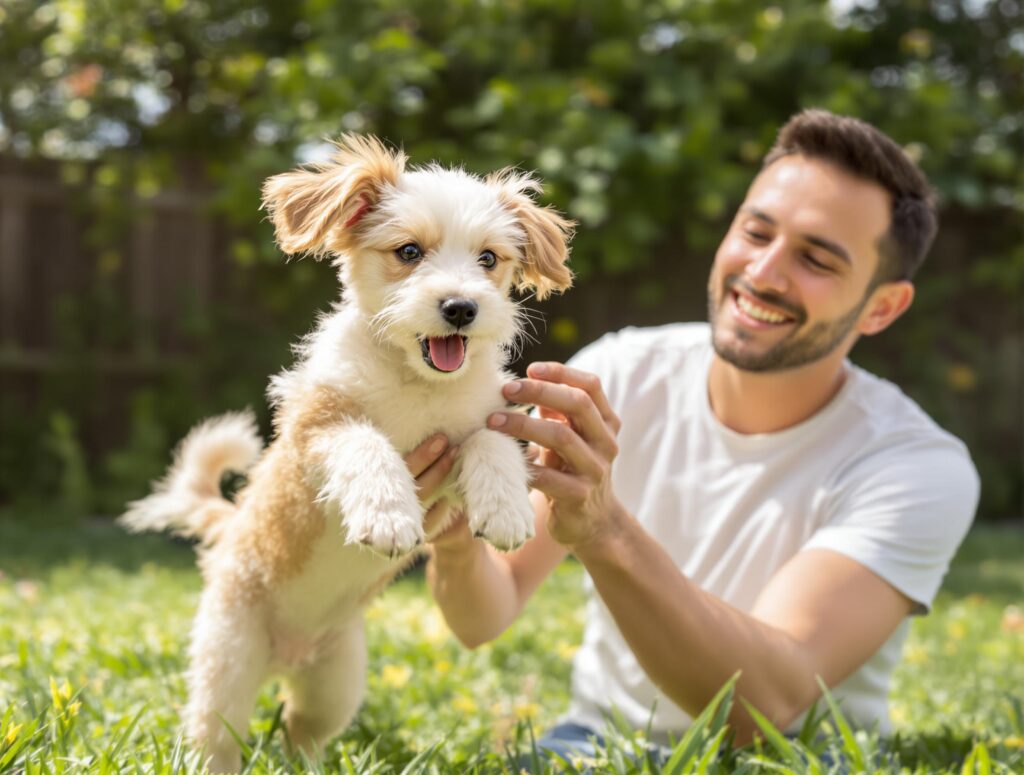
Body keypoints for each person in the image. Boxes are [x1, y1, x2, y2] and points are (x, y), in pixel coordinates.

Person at [403, 109, 979, 754]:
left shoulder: (916, 465)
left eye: (816, 259)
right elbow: (487, 615)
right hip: (593, 747)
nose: (763, 273)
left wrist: (602, 527)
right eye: (755, 232)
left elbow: (770, 703)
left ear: (882, 307)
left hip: (791, 760)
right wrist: (455, 542)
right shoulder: (620, 372)